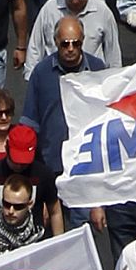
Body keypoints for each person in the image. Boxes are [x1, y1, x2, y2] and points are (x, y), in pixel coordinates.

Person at [22, 15, 104, 177]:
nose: (71, 48)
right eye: (65, 44)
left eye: (76, 43)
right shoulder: (41, 72)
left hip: (89, 162)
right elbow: (30, 121)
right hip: (52, 162)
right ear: (55, 41)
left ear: (83, 40)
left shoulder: (98, 69)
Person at [23, 0, 124, 74]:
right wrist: (30, 76)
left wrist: (115, 78)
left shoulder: (103, 12)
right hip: (56, 76)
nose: (75, 1)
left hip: (91, 80)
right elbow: (35, 47)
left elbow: (113, 52)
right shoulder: (50, 9)